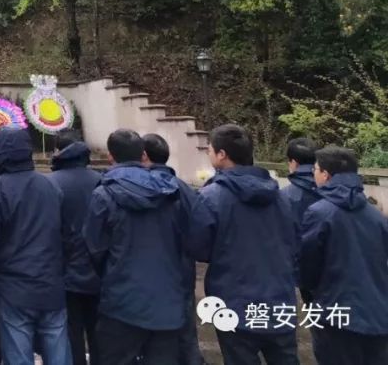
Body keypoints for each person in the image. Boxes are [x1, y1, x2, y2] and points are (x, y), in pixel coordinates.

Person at [188, 124, 299, 365]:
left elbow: (199, 247)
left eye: (210, 150)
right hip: (279, 299)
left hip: (233, 301)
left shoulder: (212, 197)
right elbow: (292, 240)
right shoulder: (279, 196)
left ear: (222, 155)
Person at [84, 130, 188, 365]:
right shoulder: (173, 192)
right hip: (168, 300)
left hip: (121, 300)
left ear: (110, 156)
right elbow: (190, 238)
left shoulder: (103, 195)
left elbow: (94, 247)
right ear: (143, 155)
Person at [0, 128, 73, 365]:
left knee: (18, 354)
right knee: (58, 349)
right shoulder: (50, 186)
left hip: (13, 288)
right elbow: (67, 235)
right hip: (51, 283)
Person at [300, 146, 388, 365]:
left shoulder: (320, 212)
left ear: (326, 175)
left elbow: (307, 266)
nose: (313, 174)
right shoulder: (375, 215)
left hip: (336, 314)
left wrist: (312, 295)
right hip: (378, 314)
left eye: (316, 169)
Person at [142, 133, 204, 365]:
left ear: (144, 155)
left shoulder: (138, 188)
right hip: (182, 270)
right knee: (186, 331)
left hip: (151, 275)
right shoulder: (185, 189)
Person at [48, 129, 101, 365]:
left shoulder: (51, 184)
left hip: (66, 271)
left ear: (59, 151)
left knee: (71, 335)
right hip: (100, 270)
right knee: (99, 334)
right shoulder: (101, 180)